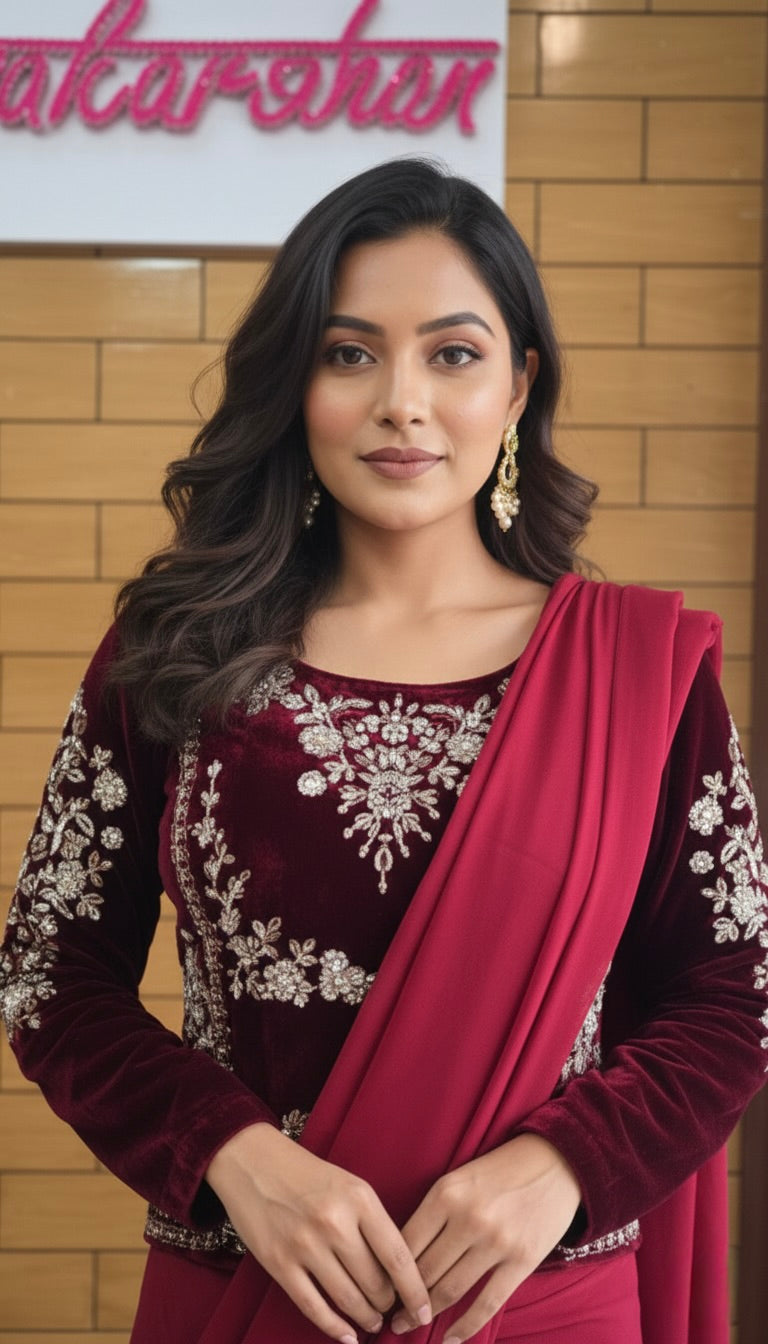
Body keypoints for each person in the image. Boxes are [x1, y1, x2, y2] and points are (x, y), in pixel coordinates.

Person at [0, 158, 766, 1344]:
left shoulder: (638, 676)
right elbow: (49, 973)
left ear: (519, 387)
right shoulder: (175, 656)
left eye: (452, 354)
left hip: (542, 1302)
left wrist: (565, 1165)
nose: (401, 401)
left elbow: (736, 994)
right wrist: (233, 1154)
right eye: (349, 353)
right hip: (246, 1292)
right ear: (294, 384)